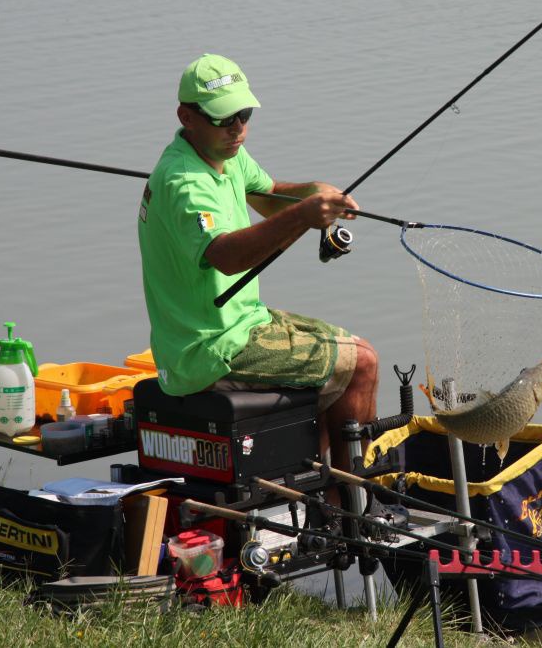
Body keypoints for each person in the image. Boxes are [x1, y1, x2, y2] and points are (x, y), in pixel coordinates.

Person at [137, 53, 378, 479]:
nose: (237, 128)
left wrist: (311, 193)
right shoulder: (184, 183)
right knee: (360, 364)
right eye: (223, 118)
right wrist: (305, 215)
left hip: (244, 322)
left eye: (244, 114)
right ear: (186, 117)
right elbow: (228, 257)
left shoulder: (226, 154)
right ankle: (352, 506)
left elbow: (266, 196)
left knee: (357, 350)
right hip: (207, 349)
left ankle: (317, 490)